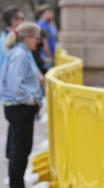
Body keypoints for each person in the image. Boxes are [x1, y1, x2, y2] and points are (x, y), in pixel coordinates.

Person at [0, 22, 43, 188]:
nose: (38, 42)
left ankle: (16, 183)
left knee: (17, 149)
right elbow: (15, 84)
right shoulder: (20, 55)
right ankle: (16, 185)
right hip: (20, 108)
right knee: (20, 151)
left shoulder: (21, 53)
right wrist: (32, 99)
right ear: (27, 37)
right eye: (36, 38)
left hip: (18, 107)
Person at [0, 5, 24, 71]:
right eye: (21, 18)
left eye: (23, 18)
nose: (23, 21)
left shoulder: (19, 34)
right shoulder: (5, 40)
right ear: (12, 20)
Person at [36, 4, 57, 68]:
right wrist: (50, 56)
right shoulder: (42, 24)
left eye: (51, 12)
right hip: (45, 56)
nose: (50, 14)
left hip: (50, 55)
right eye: (48, 13)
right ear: (42, 14)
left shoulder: (49, 23)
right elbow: (45, 43)